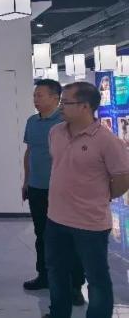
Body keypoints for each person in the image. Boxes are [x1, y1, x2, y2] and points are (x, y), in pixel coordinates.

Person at [43, 82, 129, 318]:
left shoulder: (107, 140)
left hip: (90, 223)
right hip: (56, 218)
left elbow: (123, 178)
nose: (61, 106)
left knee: (97, 279)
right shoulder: (55, 132)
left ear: (85, 106)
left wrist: (102, 196)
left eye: (66, 102)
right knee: (56, 272)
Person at [22, 80, 85, 306]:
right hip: (37, 188)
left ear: (55, 98)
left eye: (39, 95)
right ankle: (44, 275)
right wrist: (26, 181)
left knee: (69, 238)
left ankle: (75, 286)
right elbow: (30, 152)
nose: (35, 99)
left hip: (63, 190)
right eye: (34, 95)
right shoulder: (32, 121)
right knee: (42, 235)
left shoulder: (66, 122)